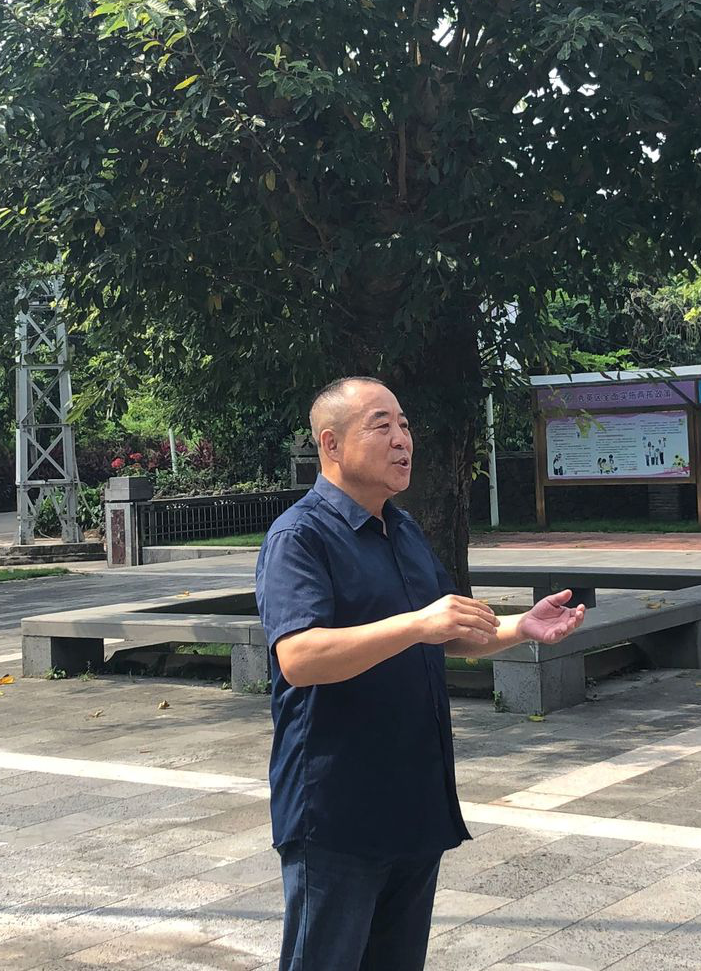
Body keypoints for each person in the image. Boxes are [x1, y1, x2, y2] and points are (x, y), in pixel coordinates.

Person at [256, 376, 586, 971]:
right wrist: (415, 625)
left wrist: (520, 627)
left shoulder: (402, 530)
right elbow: (299, 658)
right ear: (331, 444)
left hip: (412, 798)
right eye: (381, 425)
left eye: (405, 425)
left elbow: (446, 632)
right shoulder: (299, 537)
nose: (402, 439)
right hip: (336, 807)